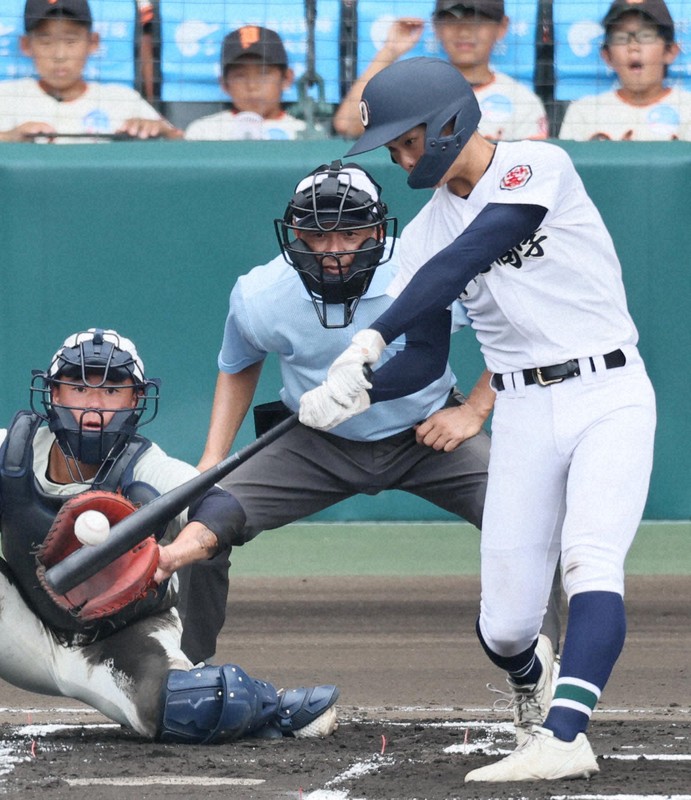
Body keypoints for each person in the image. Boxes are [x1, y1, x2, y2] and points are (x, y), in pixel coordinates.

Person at [299, 57, 656, 782]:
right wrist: (355, 389)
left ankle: (563, 738)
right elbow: (426, 359)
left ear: (450, 120)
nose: (400, 157)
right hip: (522, 411)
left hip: (607, 391)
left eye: (406, 140)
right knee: (504, 627)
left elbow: (470, 252)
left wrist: (367, 338)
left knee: (589, 561)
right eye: (392, 146)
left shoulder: (536, 167)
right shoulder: (426, 234)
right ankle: (535, 676)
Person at [185, 160, 563, 729]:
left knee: (529, 520)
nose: (333, 248)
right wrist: (214, 457)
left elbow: (519, 332)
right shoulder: (262, 293)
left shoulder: (422, 270)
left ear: (379, 231)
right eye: (316, 232)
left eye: (350, 231)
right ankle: (189, 676)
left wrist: (474, 409)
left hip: (426, 434)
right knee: (203, 520)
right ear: (293, 234)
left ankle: (543, 679)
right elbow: (239, 363)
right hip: (311, 442)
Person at [0, 328, 338, 744]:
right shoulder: (12, 451)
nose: (93, 405)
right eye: (77, 386)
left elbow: (221, 507)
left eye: (111, 390)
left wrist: (173, 555)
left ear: (135, 400)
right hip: (23, 627)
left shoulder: (145, 467)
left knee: (193, 707)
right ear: (53, 394)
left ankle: (269, 705)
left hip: (119, 642)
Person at [332, 1, 547, 142]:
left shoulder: (521, 99)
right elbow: (348, 125)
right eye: (452, 20)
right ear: (436, 26)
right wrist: (390, 51)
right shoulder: (413, 89)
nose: (463, 31)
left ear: (502, 27)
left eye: (477, 20)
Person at [0, 0, 182, 143]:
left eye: (71, 41)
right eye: (46, 42)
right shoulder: (6, 96)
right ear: (26, 45)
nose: (59, 55)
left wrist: (160, 132)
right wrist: (9, 138)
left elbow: (183, 145)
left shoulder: (122, 99)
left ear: (93, 42)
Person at [559, 0, 691, 141]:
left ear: (670, 51)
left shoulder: (688, 109)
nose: (633, 47)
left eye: (645, 36)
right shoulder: (584, 112)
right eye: (621, 38)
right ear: (607, 55)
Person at [185, 25, 327, 141]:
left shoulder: (308, 133)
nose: (252, 86)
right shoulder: (204, 132)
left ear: (286, 78)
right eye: (240, 76)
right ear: (224, 84)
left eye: (263, 74)